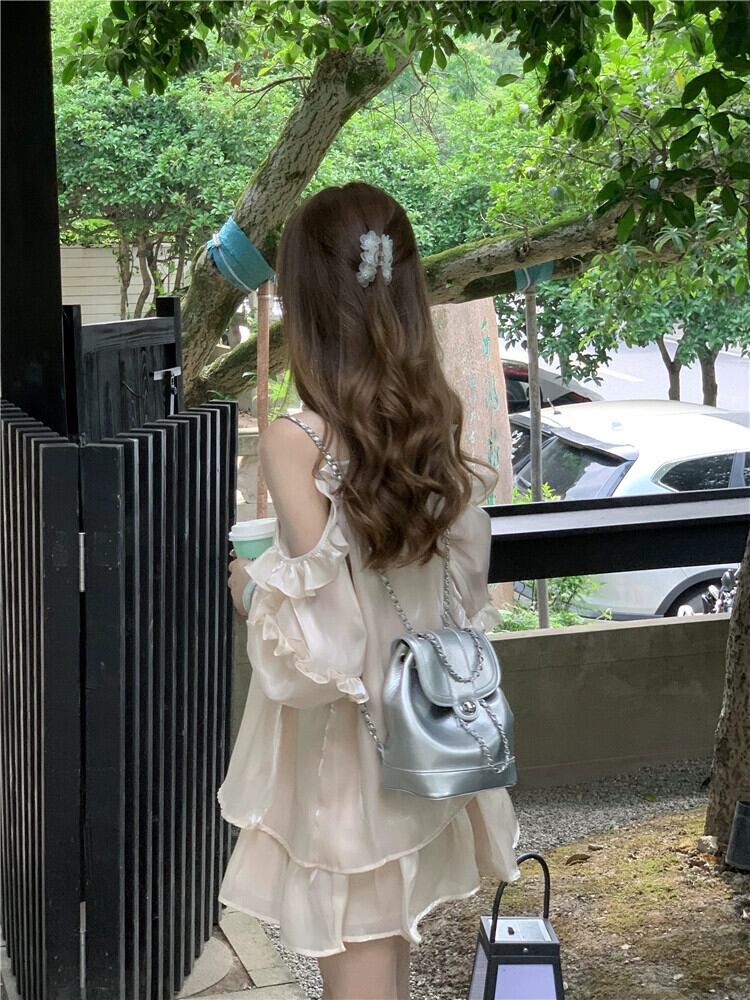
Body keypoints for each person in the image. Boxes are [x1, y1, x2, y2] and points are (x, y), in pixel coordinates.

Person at [221, 182, 521, 1000]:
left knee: (360, 972)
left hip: (352, 754)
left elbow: (328, 648)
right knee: (385, 962)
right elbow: (463, 580)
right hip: (426, 725)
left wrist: (251, 588)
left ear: (307, 297)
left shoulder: (300, 438)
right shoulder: (431, 416)